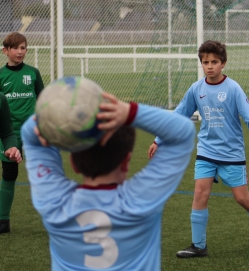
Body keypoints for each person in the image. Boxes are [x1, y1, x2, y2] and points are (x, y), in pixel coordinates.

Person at [21, 91, 195, 270]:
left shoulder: (55, 203)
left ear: (73, 162)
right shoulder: (141, 200)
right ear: (126, 161)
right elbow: (183, 131)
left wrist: (57, 118)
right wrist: (130, 112)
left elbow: (28, 133)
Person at [148, 40, 249, 258]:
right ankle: (198, 245)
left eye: (214, 62)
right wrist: (158, 140)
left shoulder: (233, 88)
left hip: (231, 154)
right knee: (200, 193)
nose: (209, 66)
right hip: (206, 152)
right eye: (205, 62)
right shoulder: (196, 89)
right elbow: (179, 115)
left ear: (223, 63)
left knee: (242, 198)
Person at [0, 32, 44, 233]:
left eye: (23, 48)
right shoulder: (1, 75)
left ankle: (55, 219)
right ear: (5, 51)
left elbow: (43, 100)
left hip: (33, 132)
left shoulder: (33, 73)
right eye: (16, 48)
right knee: (9, 174)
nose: (20, 52)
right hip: (9, 134)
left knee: (43, 173)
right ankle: (3, 220)